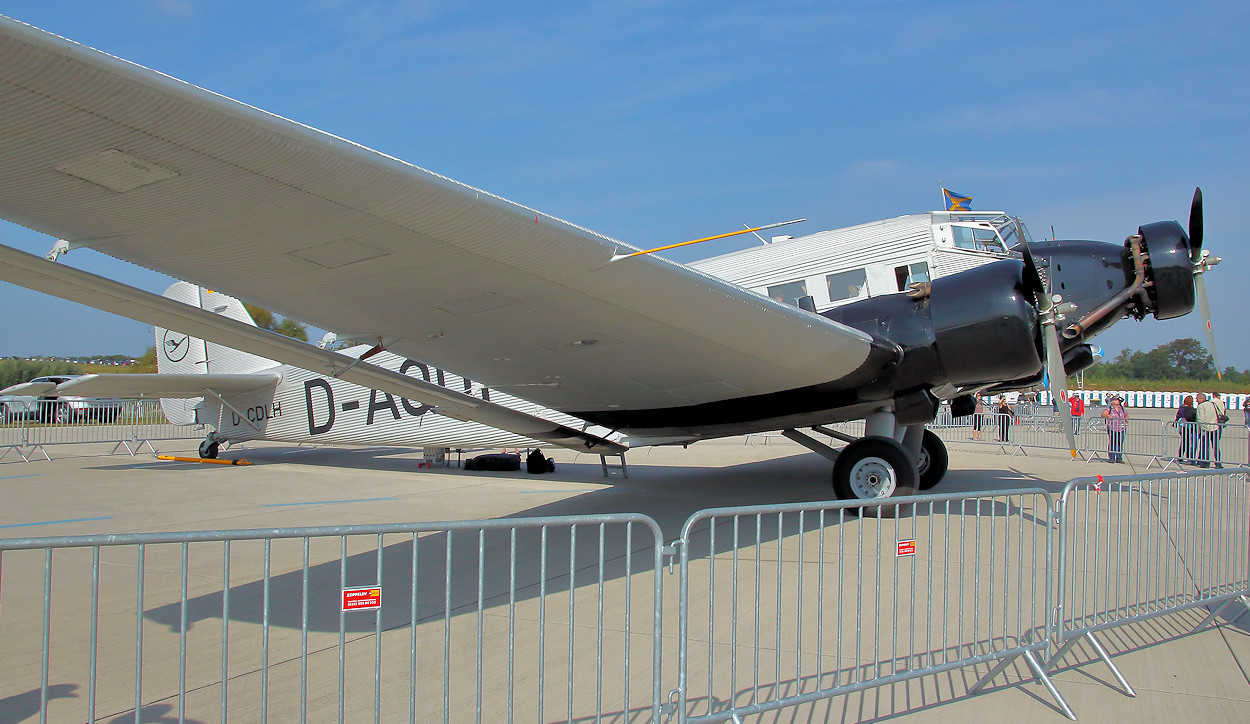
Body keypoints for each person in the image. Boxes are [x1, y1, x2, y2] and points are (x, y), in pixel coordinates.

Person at [1194, 392, 1218, 468]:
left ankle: (1206, 463)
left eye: (1197, 399)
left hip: (1206, 428)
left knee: (1205, 446)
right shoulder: (1212, 404)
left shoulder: (1201, 406)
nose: (1196, 400)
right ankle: (1218, 463)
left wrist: (1202, 428)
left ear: (1201, 399)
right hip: (1214, 427)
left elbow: (1200, 419)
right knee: (1215, 446)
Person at [1101, 395, 1128, 463]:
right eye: (1115, 400)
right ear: (1112, 402)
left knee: (1120, 443)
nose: (1117, 401)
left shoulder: (1122, 408)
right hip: (1112, 427)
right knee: (1113, 443)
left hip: (1121, 428)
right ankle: (1112, 457)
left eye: (1118, 400)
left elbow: (1126, 415)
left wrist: (1126, 420)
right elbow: (1103, 414)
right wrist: (1107, 416)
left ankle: (1119, 458)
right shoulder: (1109, 408)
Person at [1173, 395, 1198, 465]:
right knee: (1186, 442)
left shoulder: (1181, 407)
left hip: (1181, 426)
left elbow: (1178, 416)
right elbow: (1190, 417)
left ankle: (1180, 457)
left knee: (1184, 442)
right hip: (1187, 427)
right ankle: (1187, 457)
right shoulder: (1189, 409)